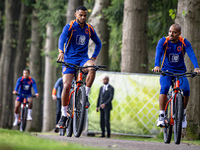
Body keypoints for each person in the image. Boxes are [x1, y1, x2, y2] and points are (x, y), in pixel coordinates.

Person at [57, 6, 102, 128]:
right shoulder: (70, 27)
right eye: (81, 15)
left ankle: (85, 95)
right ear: (75, 14)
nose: (83, 17)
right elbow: (62, 38)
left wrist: (93, 57)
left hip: (83, 59)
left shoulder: (89, 28)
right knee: (66, 86)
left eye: (85, 15)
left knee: (92, 68)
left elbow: (98, 43)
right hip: (69, 58)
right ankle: (63, 114)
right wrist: (61, 51)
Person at [152, 23, 200, 128]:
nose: (171, 34)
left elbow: (191, 53)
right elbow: (158, 53)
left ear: (179, 33)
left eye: (174, 32)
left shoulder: (184, 42)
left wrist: (196, 67)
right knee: (164, 88)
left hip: (180, 71)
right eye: (170, 31)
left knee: (186, 90)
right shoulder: (163, 41)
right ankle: (161, 115)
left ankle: (182, 114)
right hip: (166, 71)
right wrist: (157, 66)